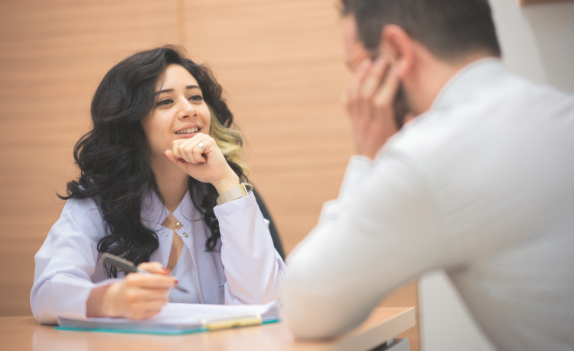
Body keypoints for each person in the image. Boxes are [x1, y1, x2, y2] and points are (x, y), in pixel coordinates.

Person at [283, 0, 574, 349]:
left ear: (396, 51)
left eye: (360, 68)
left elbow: (305, 304)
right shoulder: (557, 108)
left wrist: (368, 158)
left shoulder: (433, 152)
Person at [31, 46, 284, 324]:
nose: (189, 110)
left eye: (195, 97)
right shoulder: (97, 203)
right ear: (132, 123)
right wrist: (111, 299)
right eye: (165, 102)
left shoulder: (229, 196)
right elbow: (46, 295)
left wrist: (226, 181)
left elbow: (264, 302)